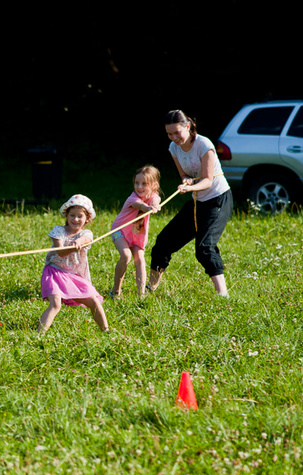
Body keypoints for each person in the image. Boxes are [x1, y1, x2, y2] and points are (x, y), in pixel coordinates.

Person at [149, 110, 232, 297]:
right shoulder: (174, 148)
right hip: (197, 201)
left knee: (204, 248)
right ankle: (150, 289)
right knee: (162, 243)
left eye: (177, 132)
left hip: (217, 199)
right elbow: (185, 175)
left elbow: (208, 180)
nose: (174, 137)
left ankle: (223, 295)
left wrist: (189, 188)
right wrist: (186, 180)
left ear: (188, 126)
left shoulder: (204, 144)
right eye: (169, 134)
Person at [38, 194, 108, 333]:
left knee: (93, 301)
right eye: (72, 215)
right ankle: (39, 334)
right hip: (54, 272)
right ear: (66, 216)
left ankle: (106, 331)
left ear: (87, 218)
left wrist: (79, 242)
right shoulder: (58, 231)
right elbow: (61, 252)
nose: (75, 219)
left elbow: (86, 239)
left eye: (79, 216)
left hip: (73, 276)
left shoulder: (86, 233)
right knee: (55, 304)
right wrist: (72, 246)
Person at [109, 165, 162, 298]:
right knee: (126, 256)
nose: (139, 187)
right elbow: (141, 206)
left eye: (144, 183)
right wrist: (149, 207)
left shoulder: (153, 196)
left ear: (154, 186)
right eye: (137, 183)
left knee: (140, 260)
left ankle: (141, 294)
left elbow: (157, 199)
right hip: (119, 230)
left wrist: (155, 205)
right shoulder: (132, 199)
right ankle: (116, 291)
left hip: (137, 233)